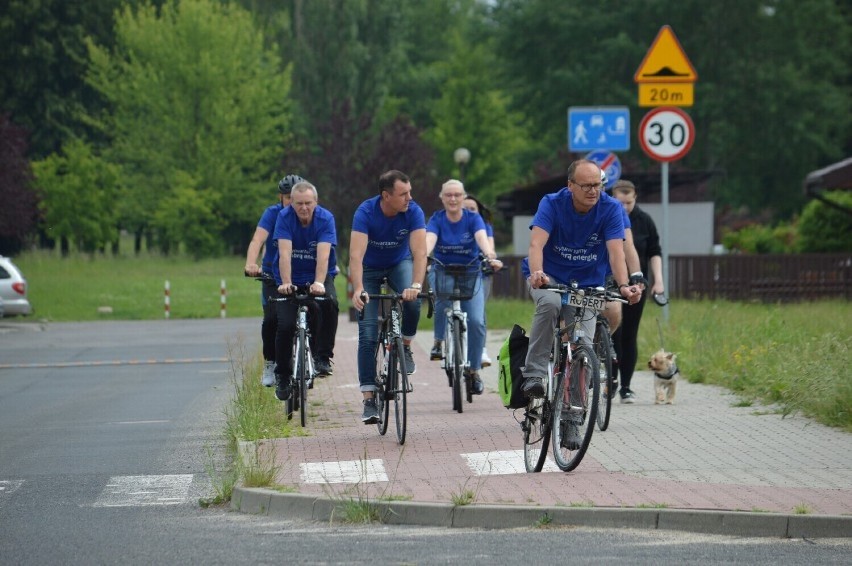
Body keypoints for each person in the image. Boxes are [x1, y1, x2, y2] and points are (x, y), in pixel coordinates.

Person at [521, 159, 641, 448]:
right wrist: (538, 273)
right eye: (586, 185)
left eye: (597, 185)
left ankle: (572, 419)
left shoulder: (610, 208)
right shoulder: (551, 203)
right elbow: (536, 243)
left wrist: (624, 285)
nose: (593, 191)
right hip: (549, 278)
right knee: (549, 305)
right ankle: (535, 373)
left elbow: (616, 252)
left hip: (588, 284)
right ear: (570, 186)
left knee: (582, 349)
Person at [350, 170, 427, 424]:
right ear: (386, 196)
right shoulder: (365, 212)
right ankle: (369, 399)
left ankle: (405, 346)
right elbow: (356, 257)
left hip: (398, 264)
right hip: (369, 270)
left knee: (413, 302)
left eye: (410, 192)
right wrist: (359, 287)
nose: (409, 198)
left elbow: (419, 252)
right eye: (403, 194)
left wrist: (415, 284)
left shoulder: (413, 211)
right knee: (368, 334)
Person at [426, 180, 502, 395]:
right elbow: (429, 240)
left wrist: (489, 255)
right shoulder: (437, 219)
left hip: (470, 271)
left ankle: (474, 370)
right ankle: (439, 340)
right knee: (442, 300)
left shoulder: (473, 218)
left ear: (463, 196)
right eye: (448, 195)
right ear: (442, 197)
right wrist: (423, 254)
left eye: (457, 195)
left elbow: (481, 238)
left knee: (477, 320)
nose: (453, 199)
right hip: (443, 269)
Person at [271, 180, 339, 401]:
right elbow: (284, 253)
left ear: (316, 202)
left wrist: (319, 283)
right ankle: (281, 375)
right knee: (285, 325)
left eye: (308, 203)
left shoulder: (325, 219)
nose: (303, 208)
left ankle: (322, 356)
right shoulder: (284, 218)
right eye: (298, 203)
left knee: (329, 304)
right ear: (291, 204)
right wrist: (286, 282)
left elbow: (324, 256)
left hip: (316, 274)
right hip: (289, 276)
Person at [243, 174, 302, 387]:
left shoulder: (307, 213)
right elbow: (258, 239)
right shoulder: (273, 213)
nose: (292, 202)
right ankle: (270, 362)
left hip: (300, 273)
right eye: (288, 197)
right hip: (272, 274)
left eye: (295, 197)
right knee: (271, 321)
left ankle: (312, 354)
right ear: (281, 197)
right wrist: (251, 263)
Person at [611, 179, 664, 404]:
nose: (624, 208)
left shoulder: (645, 221)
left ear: (635, 199)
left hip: (637, 284)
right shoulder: (606, 216)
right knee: (613, 333)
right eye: (619, 202)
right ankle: (608, 383)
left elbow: (654, 251)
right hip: (611, 284)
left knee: (629, 334)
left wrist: (658, 282)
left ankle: (626, 387)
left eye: (628, 203)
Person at [461, 194, 497, 367]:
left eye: (472, 209)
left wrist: (491, 258)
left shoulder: (484, 226)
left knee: (478, 311)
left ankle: (481, 348)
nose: (469, 212)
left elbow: (490, 247)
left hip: (480, 273)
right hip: (457, 274)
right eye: (464, 209)